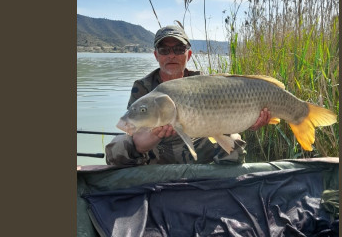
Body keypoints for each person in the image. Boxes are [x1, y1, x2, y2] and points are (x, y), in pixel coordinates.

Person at [105, 25, 271, 167]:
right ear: (156, 55)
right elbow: (132, 130)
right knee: (117, 148)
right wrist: (149, 139)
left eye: (178, 49)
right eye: (164, 50)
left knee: (235, 144)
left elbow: (227, 117)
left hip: (198, 140)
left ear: (188, 55)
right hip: (156, 146)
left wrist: (249, 121)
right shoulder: (143, 87)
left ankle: (212, 183)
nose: (172, 55)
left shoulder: (204, 83)